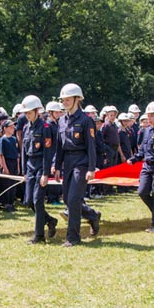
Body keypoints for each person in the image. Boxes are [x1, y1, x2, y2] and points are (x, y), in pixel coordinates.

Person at [53, 83, 101, 246]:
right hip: (67, 162)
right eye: (63, 99)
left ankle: (73, 238)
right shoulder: (61, 120)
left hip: (81, 162)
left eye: (68, 99)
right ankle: (93, 215)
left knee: (73, 199)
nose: (65, 102)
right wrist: (57, 165)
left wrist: (91, 168)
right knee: (68, 198)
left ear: (76, 99)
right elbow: (59, 146)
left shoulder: (86, 121)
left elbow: (91, 146)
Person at [127, 101, 154, 233]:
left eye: (152, 116)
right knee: (142, 192)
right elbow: (142, 151)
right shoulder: (146, 131)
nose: (149, 119)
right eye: (148, 116)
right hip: (147, 166)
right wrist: (133, 159)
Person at [20, 96, 58, 244]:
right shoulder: (26, 127)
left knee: (37, 200)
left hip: (41, 165)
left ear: (37, 111)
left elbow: (48, 152)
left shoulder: (45, 128)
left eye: (29, 112)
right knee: (29, 201)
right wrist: (24, 171)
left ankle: (39, 236)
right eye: (26, 113)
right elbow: (23, 151)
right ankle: (50, 220)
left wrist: (45, 173)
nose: (27, 115)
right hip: (30, 166)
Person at [0, 119, 19, 212]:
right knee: (7, 184)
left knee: (13, 183)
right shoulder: (3, 139)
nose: (13, 128)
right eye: (10, 127)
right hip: (7, 161)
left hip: (14, 161)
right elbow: (2, 155)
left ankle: (11, 202)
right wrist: (4, 167)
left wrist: (18, 166)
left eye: (13, 127)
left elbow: (17, 154)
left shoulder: (14, 139)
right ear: (5, 128)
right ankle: (6, 203)